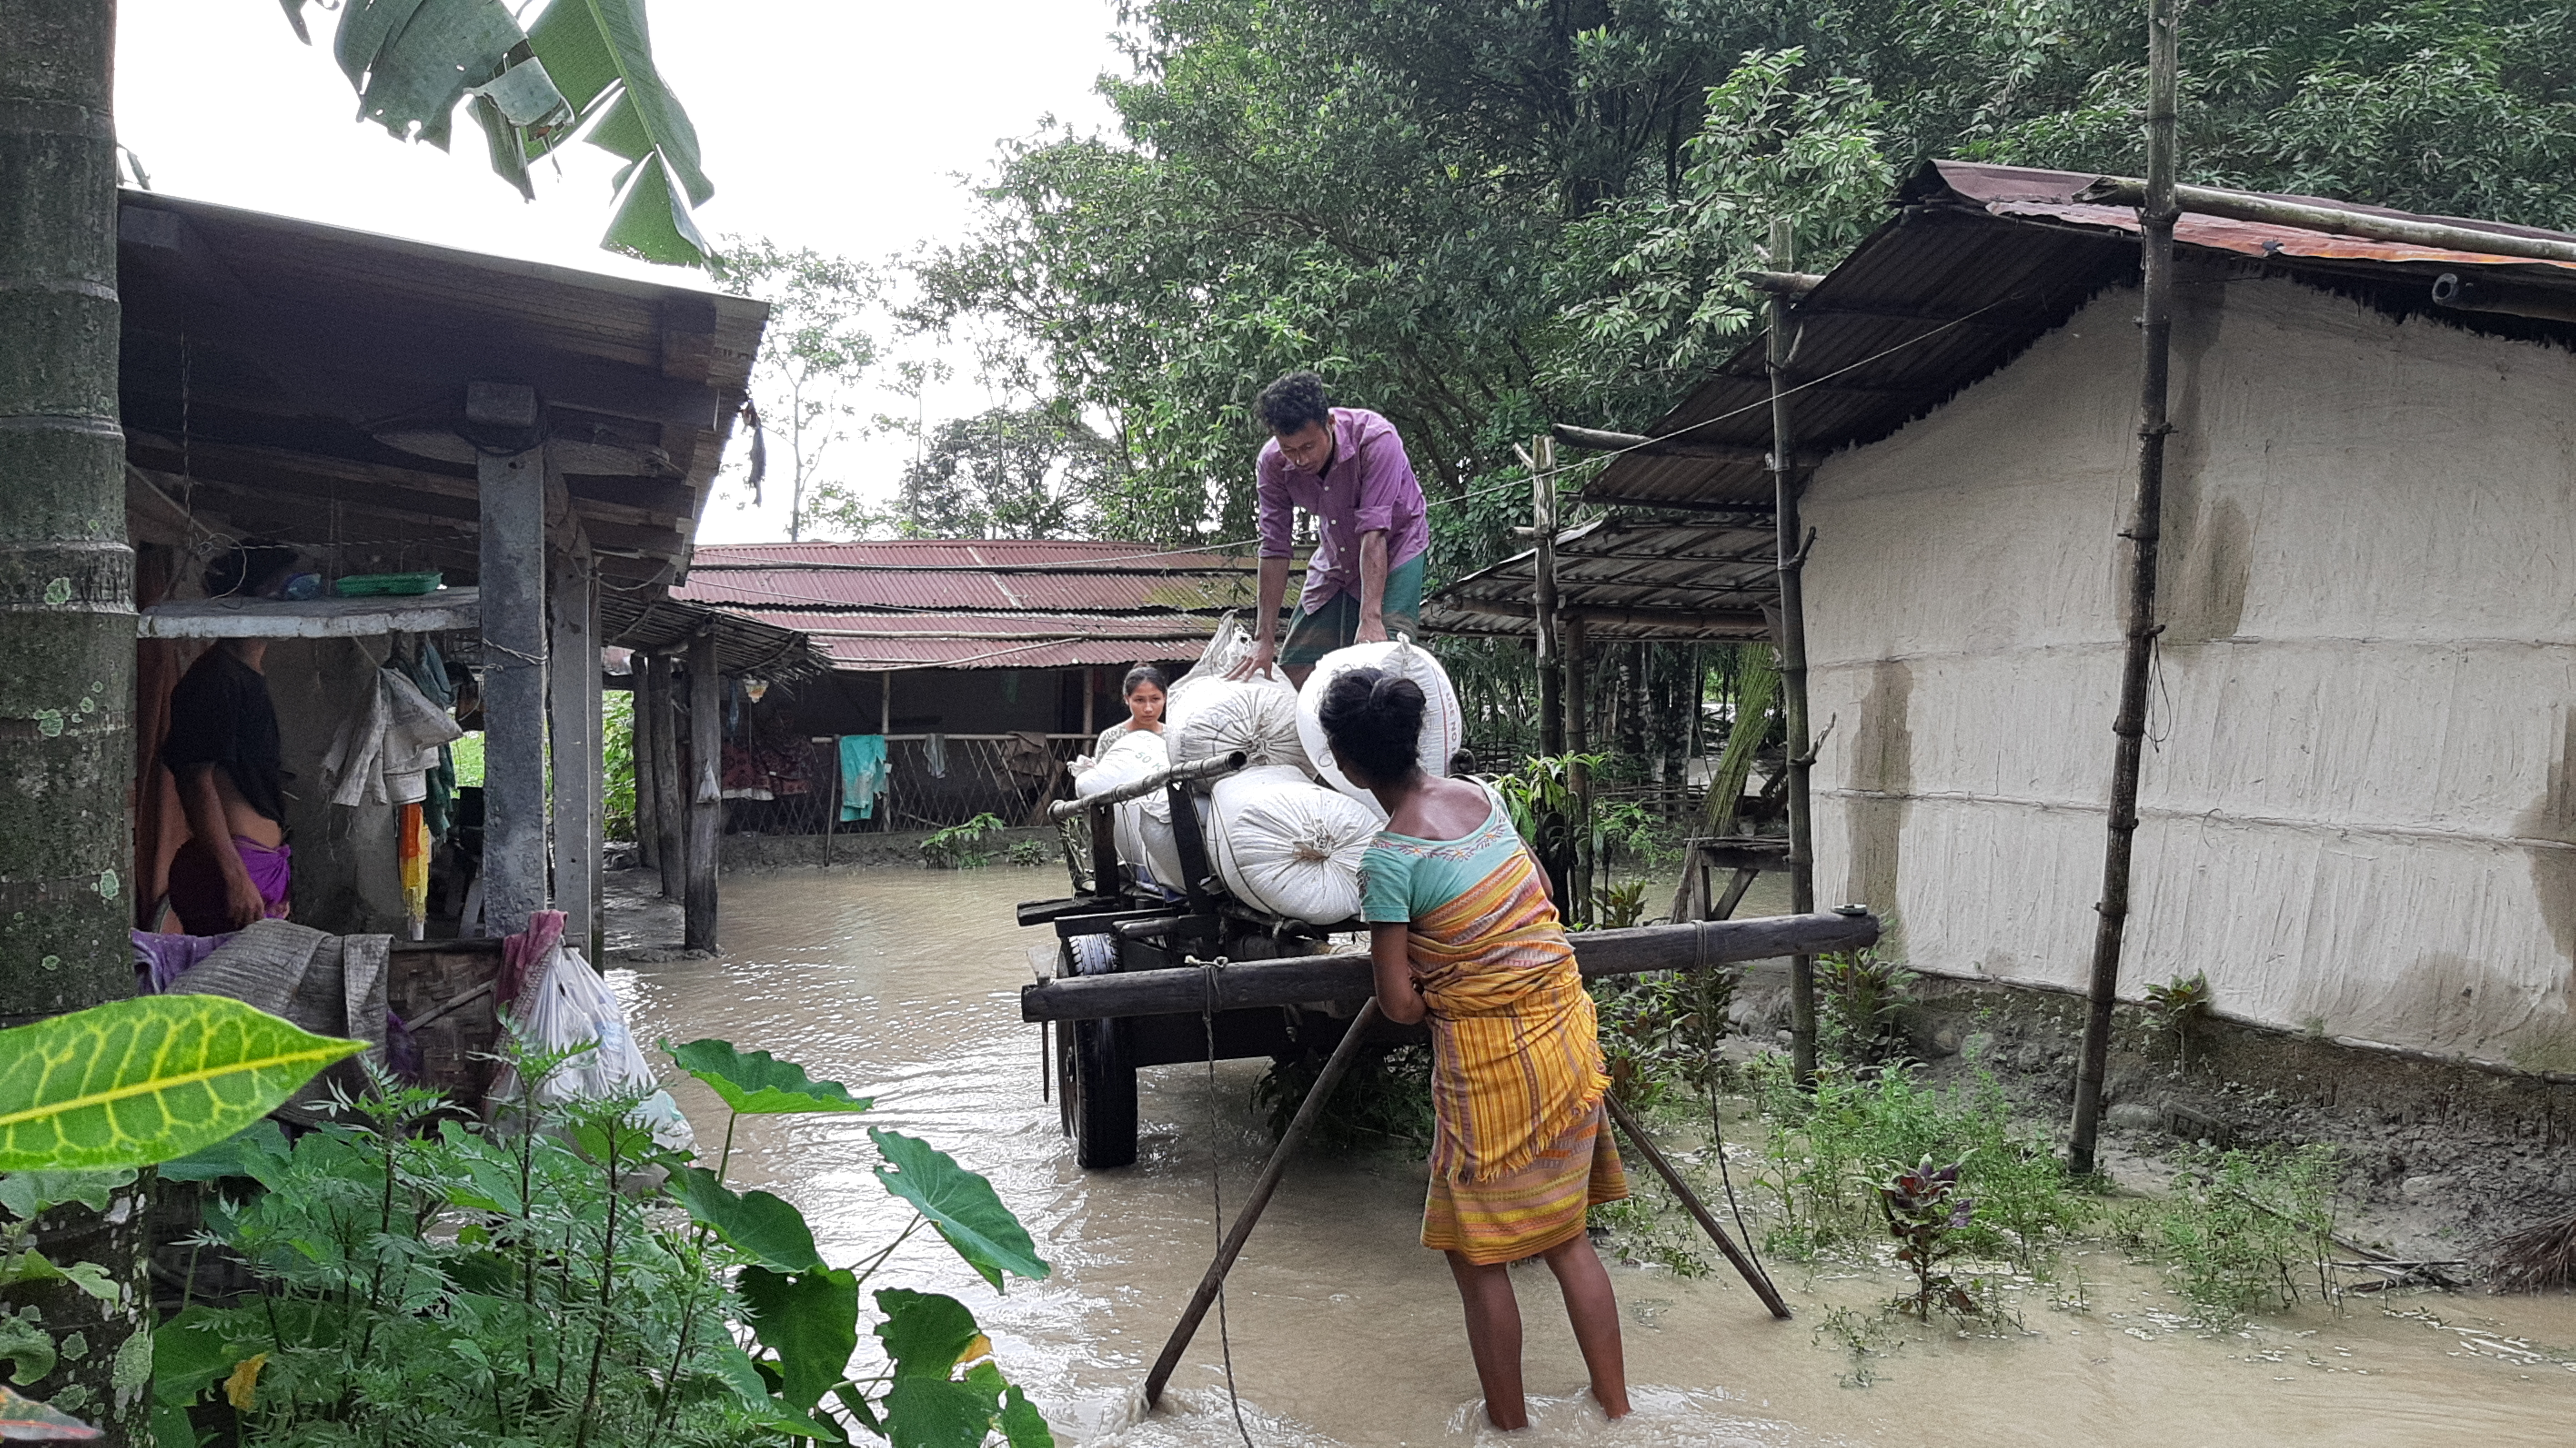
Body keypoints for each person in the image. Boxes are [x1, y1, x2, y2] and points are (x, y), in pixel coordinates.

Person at [1322, 667, 1631, 1428]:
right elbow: (1533, 892)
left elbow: (1396, 1001)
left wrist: (1443, 975)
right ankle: (1617, 1409)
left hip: (1489, 1068)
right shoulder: (1482, 798)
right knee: (1567, 1237)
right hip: (1561, 1035)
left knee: (1478, 1252)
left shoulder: (1388, 859)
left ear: (1344, 764)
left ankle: (1508, 1427)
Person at [1230, 371, 1431, 687]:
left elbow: (1374, 533)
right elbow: (1275, 549)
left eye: (1308, 447)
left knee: (1385, 660)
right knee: (1295, 666)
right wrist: (1264, 639)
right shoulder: (1271, 463)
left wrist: (1371, 618)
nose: (1300, 459)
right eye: (1289, 450)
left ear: (1330, 424)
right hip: (1337, 550)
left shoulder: (1377, 440)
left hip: (1394, 546)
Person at [163, 543, 301, 934]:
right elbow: (195, 779)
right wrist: (237, 878)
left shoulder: (245, 675)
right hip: (233, 872)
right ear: (240, 601)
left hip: (260, 866)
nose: (286, 603)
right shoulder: (215, 680)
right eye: (275, 594)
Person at [1094, 664, 1169, 754]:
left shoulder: (1173, 738)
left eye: (1155, 699)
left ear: (1164, 698)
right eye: (1140, 700)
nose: (1148, 709)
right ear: (1127, 699)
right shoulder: (1111, 738)